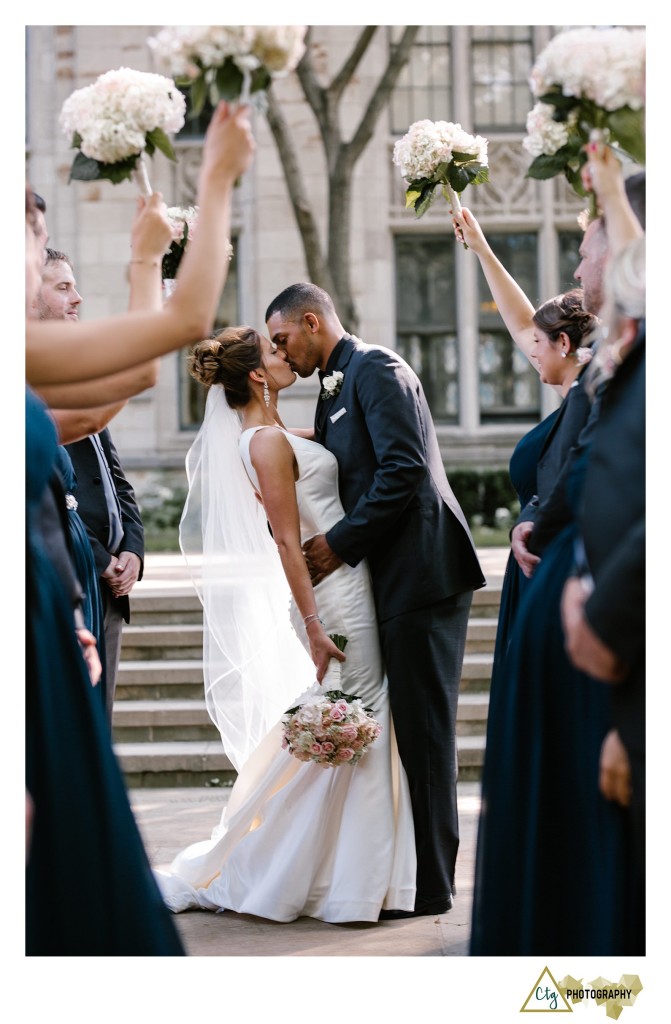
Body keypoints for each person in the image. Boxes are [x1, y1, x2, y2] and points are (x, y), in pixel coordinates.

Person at [25, 100, 255, 953]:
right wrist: (218, 181)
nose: (40, 258)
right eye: (30, 238)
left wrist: (144, 259)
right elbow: (178, 327)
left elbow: (130, 384)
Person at [154, 327, 417, 922]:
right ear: (255, 374)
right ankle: (333, 879)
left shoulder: (272, 436)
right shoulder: (265, 444)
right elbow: (285, 540)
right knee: (359, 716)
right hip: (332, 598)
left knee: (355, 718)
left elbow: (323, 451)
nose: (286, 355)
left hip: (346, 586)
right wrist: (314, 622)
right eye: (274, 352)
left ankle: (352, 874)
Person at [457, 171, 644, 954]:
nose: (576, 262)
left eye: (587, 238)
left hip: (609, 654)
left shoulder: (610, 363)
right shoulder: (610, 363)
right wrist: (478, 247)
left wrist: (601, 617)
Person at [265, 284, 485, 919]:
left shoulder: (377, 368)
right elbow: (349, 461)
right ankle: (407, 875)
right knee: (404, 729)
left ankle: (436, 886)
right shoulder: (338, 382)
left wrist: (337, 544)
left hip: (423, 574)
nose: (283, 351)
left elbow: (402, 468)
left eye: (284, 339)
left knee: (424, 730)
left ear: (312, 322)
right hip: (389, 578)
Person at [37, 250, 146, 719]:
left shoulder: (77, 369)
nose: (77, 298)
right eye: (62, 288)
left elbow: (114, 477)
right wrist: (100, 559)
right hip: (72, 573)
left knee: (99, 720)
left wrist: (134, 553)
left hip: (113, 586)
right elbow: (45, 491)